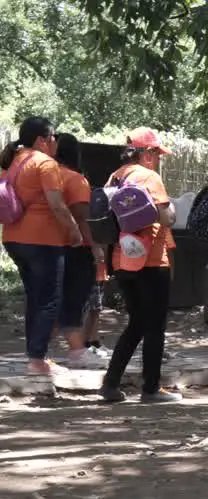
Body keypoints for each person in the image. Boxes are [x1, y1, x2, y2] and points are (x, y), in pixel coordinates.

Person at [99, 128, 180, 403]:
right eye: (157, 153)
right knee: (154, 325)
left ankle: (111, 383)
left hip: (123, 259)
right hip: (152, 260)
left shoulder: (116, 176)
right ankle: (151, 389)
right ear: (147, 153)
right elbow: (167, 218)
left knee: (136, 323)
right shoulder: (150, 177)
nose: (158, 159)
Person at [0, 116, 82, 376]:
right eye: (53, 136)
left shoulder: (14, 161)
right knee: (49, 300)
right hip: (43, 240)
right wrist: (74, 230)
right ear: (41, 140)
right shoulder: (45, 163)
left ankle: (35, 355)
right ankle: (37, 360)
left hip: (14, 238)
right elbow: (57, 205)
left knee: (35, 298)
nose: (56, 141)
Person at [52, 133, 107, 369]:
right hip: (77, 247)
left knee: (50, 300)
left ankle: (40, 349)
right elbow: (84, 220)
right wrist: (95, 247)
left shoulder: (45, 175)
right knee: (75, 299)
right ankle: (77, 352)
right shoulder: (76, 180)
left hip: (49, 245)